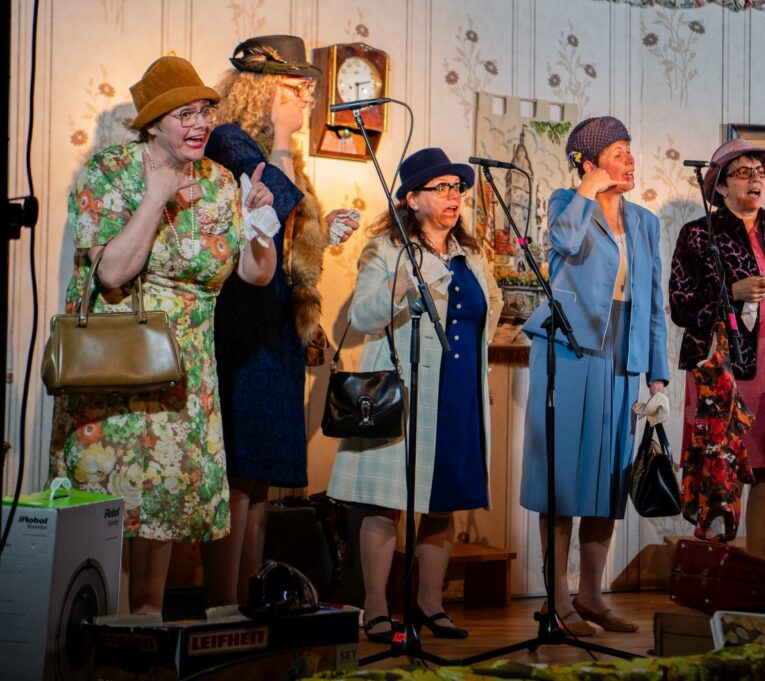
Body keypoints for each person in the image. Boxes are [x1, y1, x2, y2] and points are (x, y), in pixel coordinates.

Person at [49, 55, 277, 614]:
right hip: (119, 361)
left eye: (204, 112)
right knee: (112, 500)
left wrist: (259, 226)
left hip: (186, 369)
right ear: (152, 124)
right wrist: (156, 196)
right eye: (185, 115)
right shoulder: (110, 172)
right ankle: (101, 628)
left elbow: (254, 275)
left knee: (163, 503)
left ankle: (147, 625)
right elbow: (112, 273)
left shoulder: (220, 182)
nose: (200, 124)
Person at [201, 34, 357, 607]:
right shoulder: (229, 138)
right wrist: (287, 137)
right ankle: (222, 603)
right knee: (239, 470)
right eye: (294, 88)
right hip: (243, 321)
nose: (305, 100)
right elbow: (275, 197)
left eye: (307, 91)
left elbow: (286, 226)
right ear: (259, 88)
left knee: (261, 474)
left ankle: (253, 597)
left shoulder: (272, 147)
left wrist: (324, 229)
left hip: (277, 325)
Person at [327, 148, 502, 642]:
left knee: (443, 502)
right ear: (411, 198)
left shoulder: (471, 254)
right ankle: (377, 608)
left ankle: (430, 604)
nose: (453, 196)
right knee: (386, 504)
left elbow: (489, 307)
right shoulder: (386, 249)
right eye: (441, 188)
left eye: (457, 188)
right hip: (405, 391)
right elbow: (361, 317)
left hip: (459, 393)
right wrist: (400, 285)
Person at [520, 116, 670, 636]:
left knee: (608, 481)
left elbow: (653, 302)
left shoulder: (646, 222)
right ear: (589, 163)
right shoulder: (567, 203)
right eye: (618, 151)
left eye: (630, 150)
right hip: (568, 350)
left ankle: (590, 596)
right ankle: (556, 601)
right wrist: (586, 188)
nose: (630, 160)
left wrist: (657, 376)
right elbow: (561, 242)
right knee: (561, 480)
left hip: (622, 353)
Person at [669, 138, 765, 559]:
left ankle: (758, 567)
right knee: (720, 471)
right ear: (720, 186)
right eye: (744, 172)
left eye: (760, 172)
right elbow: (681, 306)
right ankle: (721, 571)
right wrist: (729, 293)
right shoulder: (698, 234)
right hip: (722, 367)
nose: (756, 179)